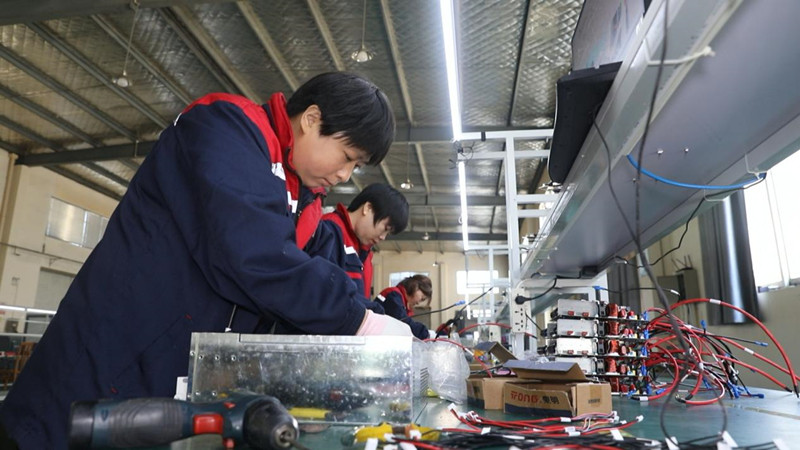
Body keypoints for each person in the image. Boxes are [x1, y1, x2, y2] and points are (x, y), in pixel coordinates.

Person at [0, 72, 413, 450]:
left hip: (169, 386)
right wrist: (356, 321)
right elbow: (256, 256)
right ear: (311, 119)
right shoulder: (227, 128)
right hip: (110, 359)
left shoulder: (303, 203)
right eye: (347, 156)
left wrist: (378, 323)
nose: (345, 175)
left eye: (356, 166)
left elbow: (310, 277)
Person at [308, 183, 408, 299]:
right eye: (385, 229)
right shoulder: (330, 231)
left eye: (388, 233)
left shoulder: (364, 254)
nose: (383, 237)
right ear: (368, 208)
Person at [377, 274, 433, 340]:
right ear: (415, 287)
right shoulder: (393, 295)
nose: (418, 303)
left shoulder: (400, 299)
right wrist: (423, 333)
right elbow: (404, 323)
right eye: (422, 298)